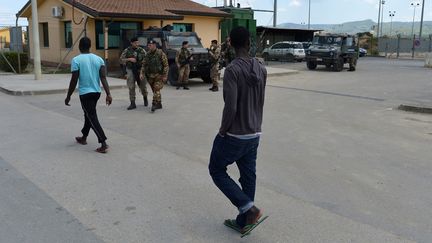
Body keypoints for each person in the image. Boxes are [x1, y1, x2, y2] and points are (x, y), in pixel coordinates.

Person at [208, 27, 267, 232]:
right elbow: (260, 101)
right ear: (249, 43)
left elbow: (231, 106)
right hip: (254, 132)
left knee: (216, 169)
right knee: (248, 175)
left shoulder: (232, 70)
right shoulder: (261, 68)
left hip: (235, 134)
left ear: (230, 43)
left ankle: (248, 208)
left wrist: (223, 130)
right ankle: (244, 221)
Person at [65, 37, 112, 153]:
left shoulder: (76, 60)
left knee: (91, 117)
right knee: (88, 115)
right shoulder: (99, 59)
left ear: (80, 46)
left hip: (85, 94)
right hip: (96, 93)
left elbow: (74, 80)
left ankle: (103, 143)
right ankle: (84, 137)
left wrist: (68, 96)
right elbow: (103, 77)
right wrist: (108, 94)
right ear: (90, 46)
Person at [140, 39, 168, 112]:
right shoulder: (147, 54)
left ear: (154, 45)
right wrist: (142, 73)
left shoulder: (160, 53)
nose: (149, 47)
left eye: (150, 45)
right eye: (148, 45)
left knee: (156, 89)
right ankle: (159, 104)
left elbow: (166, 65)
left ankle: (154, 104)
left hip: (159, 75)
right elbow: (144, 64)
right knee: (155, 91)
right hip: (150, 76)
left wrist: (165, 75)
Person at [120, 37, 148, 110]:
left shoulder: (142, 50)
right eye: (135, 43)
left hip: (140, 70)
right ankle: (132, 103)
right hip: (130, 70)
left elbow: (147, 60)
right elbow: (121, 60)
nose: (137, 44)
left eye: (137, 42)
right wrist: (129, 59)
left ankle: (145, 97)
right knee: (131, 86)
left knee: (143, 86)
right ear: (131, 43)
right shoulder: (127, 50)